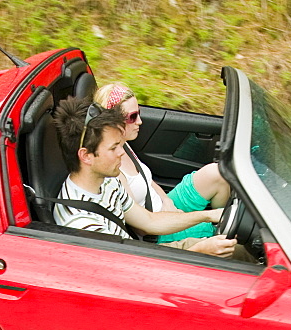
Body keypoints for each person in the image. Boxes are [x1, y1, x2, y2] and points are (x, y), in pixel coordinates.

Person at [51, 96, 237, 258]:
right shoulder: (83, 225)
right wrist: (200, 252)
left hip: (137, 253)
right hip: (138, 265)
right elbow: (128, 272)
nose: (121, 153)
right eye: (113, 148)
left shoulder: (108, 181)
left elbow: (149, 221)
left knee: (237, 247)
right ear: (86, 156)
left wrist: (208, 215)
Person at [94, 82, 232, 246]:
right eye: (132, 117)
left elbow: (147, 180)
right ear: (113, 121)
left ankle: (223, 213)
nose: (139, 121)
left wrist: (167, 201)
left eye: (139, 113)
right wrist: (180, 217)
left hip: (164, 205)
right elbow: (142, 226)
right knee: (222, 232)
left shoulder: (123, 143)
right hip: (157, 230)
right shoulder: (112, 167)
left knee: (216, 174)